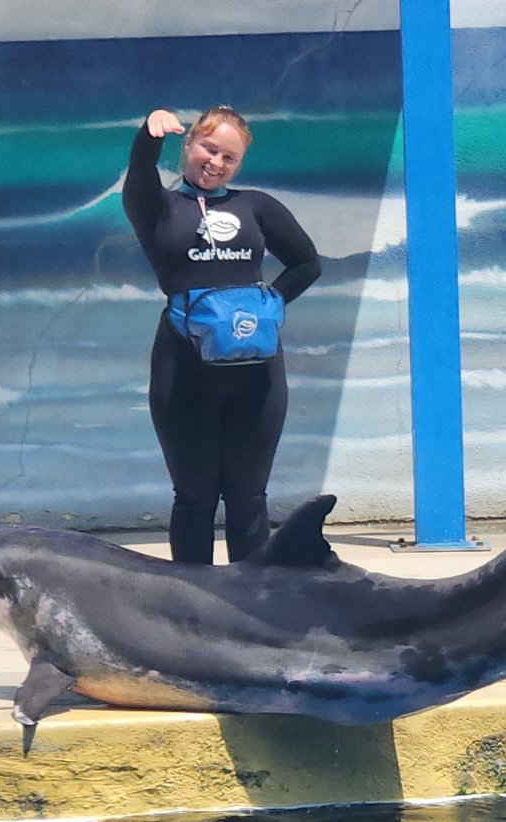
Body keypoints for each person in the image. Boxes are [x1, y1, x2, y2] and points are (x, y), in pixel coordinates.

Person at [122, 105, 321, 564]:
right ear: (190, 144)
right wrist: (149, 134)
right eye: (209, 149)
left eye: (229, 158)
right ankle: (195, 611)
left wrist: (267, 305)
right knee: (194, 497)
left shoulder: (256, 206)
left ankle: (252, 610)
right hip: (183, 367)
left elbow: (307, 263)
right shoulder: (159, 207)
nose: (216, 163)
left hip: (257, 372)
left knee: (249, 497)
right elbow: (140, 170)